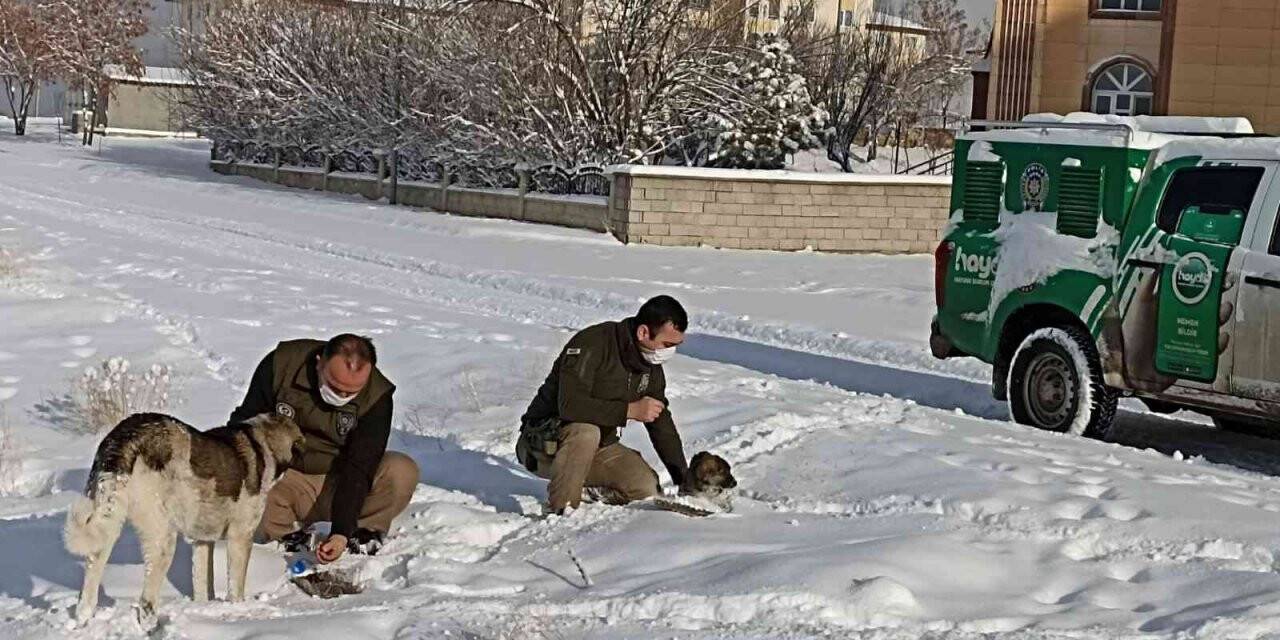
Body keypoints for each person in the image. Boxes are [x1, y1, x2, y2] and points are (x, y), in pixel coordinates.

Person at [230, 334, 419, 563]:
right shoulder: (282, 364)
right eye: (335, 386)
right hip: (286, 477)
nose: (341, 396)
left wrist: (341, 531)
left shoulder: (377, 396)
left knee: (401, 470)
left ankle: (364, 532)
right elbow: (247, 426)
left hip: (340, 481)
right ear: (319, 362)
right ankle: (283, 536)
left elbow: (361, 465)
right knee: (247, 479)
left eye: (351, 393)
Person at [517, 295, 690, 514]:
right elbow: (570, 406)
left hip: (600, 445)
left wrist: (683, 478)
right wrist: (630, 410)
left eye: (676, 345)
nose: (670, 351)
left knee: (645, 488)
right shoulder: (592, 343)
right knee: (585, 431)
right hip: (544, 444)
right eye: (667, 344)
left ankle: (583, 489)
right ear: (643, 332)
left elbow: (659, 420)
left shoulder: (649, 363)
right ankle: (561, 511)